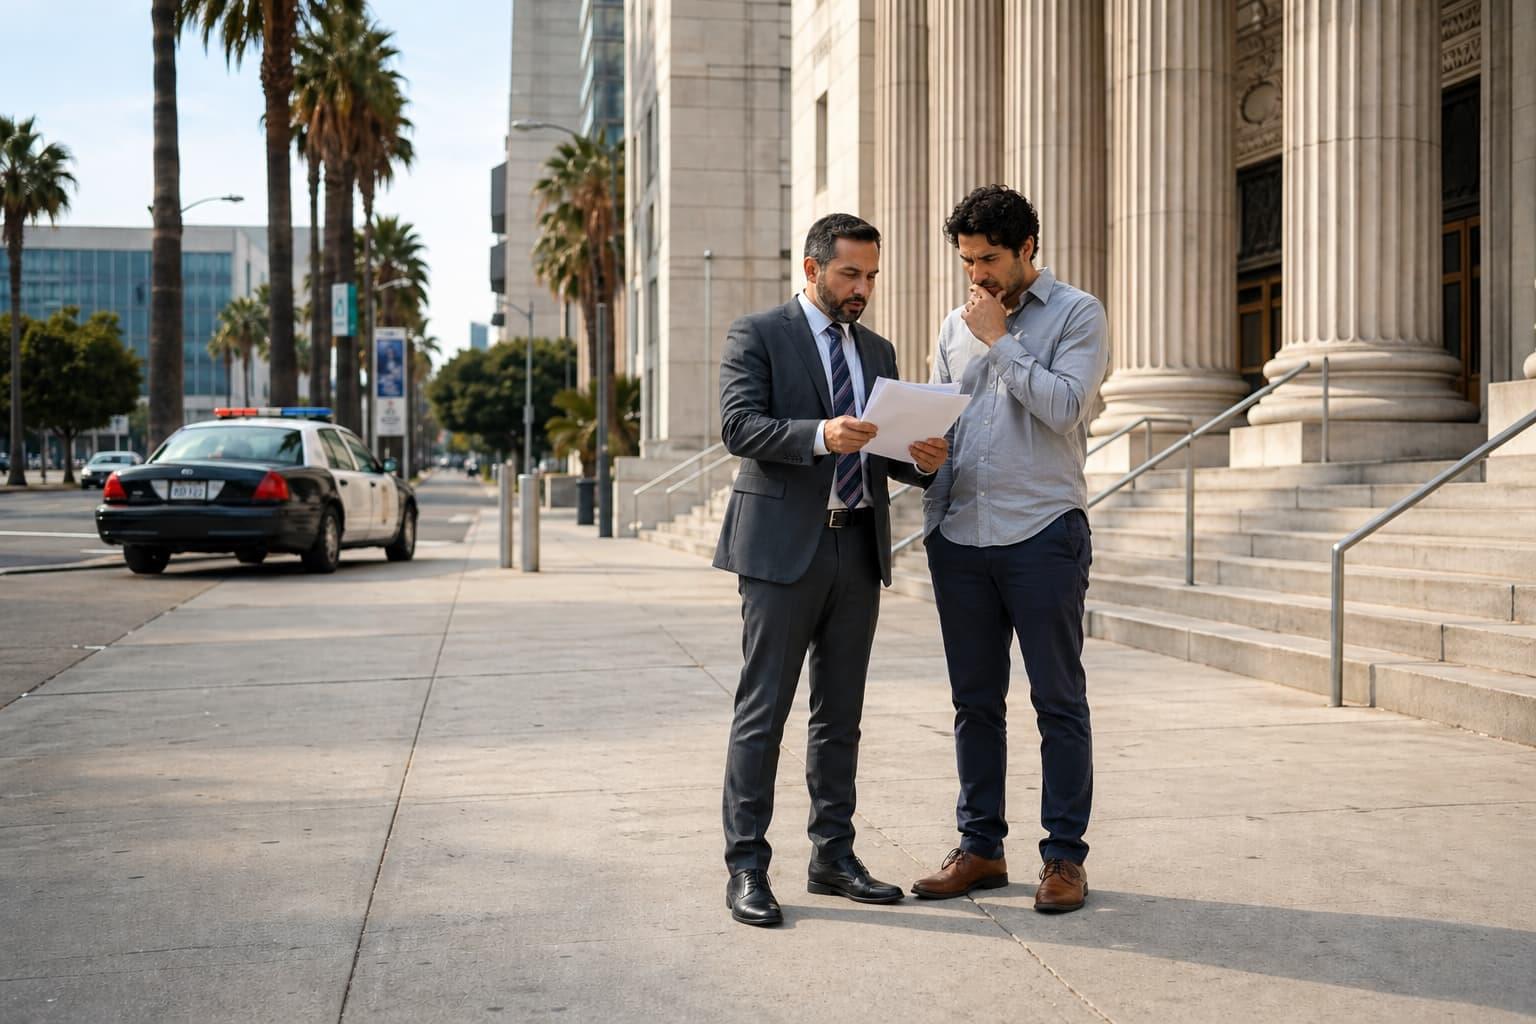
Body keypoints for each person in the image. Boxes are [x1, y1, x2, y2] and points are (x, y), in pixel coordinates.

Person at [714, 212, 949, 927]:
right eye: (850, 273)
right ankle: (747, 868)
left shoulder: (876, 348)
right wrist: (820, 435)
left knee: (839, 716)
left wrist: (919, 461)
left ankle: (832, 855)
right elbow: (738, 427)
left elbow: (883, 448)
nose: (863, 289)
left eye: (872, 276)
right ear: (812, 269)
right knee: (764, 713)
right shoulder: (758, 334)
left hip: (858, 547)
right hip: (783, 550)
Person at [910, 185, 1109, 913]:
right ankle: (981, 849)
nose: (976, 277)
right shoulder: (951, 324)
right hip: (960, 533)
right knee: (974, 703)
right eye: (967, 261)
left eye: (988, 260)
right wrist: (921, 453)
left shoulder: (1078, 314)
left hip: (1041, 532)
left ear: (1027, 248)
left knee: (1058, 700)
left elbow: (1064, 407)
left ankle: (1063, 859)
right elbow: (942, 417)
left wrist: (1001, 338)